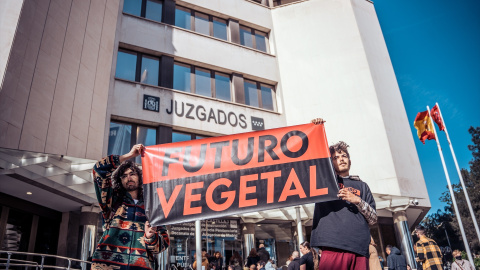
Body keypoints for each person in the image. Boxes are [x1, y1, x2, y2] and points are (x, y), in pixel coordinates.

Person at [310, 119, 377, 270]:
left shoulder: (363, 186)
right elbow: (315, 161)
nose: (341, 159)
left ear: (349, 160)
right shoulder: (325, 180)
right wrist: (314, 131)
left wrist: (358, 201)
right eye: (336, 158)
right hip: (332, 246)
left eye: (344, 156)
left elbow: (373, 219)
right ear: (331, 162)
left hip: (359, 248)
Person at [91, 144, 169, 270]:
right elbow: (98, 170)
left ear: (139, 177)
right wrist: (129, 156)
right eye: (124, 176)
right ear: (120, 180)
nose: (129, 178)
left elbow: (163, 244)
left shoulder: (153, 206)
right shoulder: (111, 201)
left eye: (132, 174)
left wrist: (151, 237)